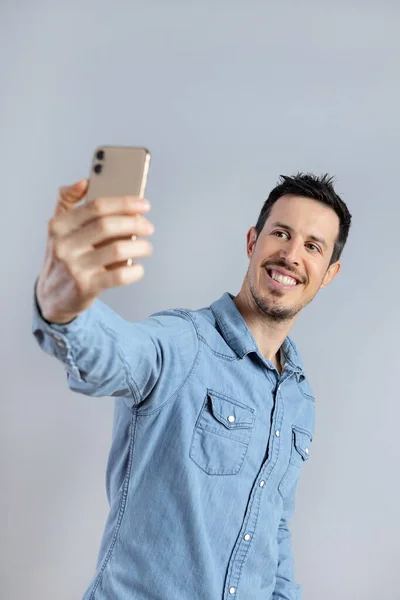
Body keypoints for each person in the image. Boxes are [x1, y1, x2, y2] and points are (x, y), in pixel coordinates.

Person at [32, 172, 352, 600]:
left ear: (329, 272)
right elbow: (113, 352)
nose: (291, 255)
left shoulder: (299, 397)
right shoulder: (184, 341)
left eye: (312, 246)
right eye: (281, 233)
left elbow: (272, 527)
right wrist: (62, 305)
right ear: (252, 242)